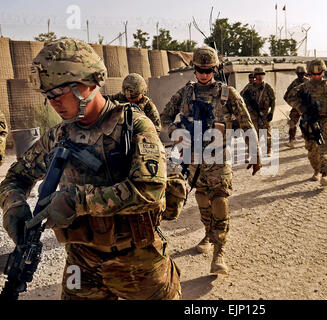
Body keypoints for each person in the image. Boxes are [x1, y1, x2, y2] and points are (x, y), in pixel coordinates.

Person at [0, 38, 181, 300]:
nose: (54, 104)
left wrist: (77, 202)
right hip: (81, 262)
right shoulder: (58, 136)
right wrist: (13, 205)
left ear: (89, 83)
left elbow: (149, 190)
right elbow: (15, 177)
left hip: (137, 261)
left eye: (59, 93)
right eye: (48, 97)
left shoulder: (132, 126)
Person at [161, 45, 262, 275]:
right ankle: (208, 233)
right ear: (194, 69)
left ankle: (220, 251)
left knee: (220, 199)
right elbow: (164, 117)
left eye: (208, 70)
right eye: (200, 70)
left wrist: (255, 153)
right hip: (192, 157)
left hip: (218, 155)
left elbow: (247, 124)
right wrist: (175, 130)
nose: (204, 74)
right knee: (202, 197)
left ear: (215, 69)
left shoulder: (228, 94)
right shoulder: (185, 93)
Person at [286, 59, 327, 187]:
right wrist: (300, 107)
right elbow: (288, 96)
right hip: (310, 121)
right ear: (310, 74)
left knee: (324, 148)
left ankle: (326, 174)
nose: (317, 77)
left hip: (325, 120)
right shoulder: (304, 86)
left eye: (319, 74)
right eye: (314, 74)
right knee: (312, 150)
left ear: (323, 72)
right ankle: (316, 170)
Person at [241, 67, 276, 156]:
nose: (260, 77)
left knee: (267, 132)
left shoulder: (267, 87)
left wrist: (271, 112)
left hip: (264, 114)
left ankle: (269, 149)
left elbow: (273, 100)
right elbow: (240, 97)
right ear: (255, 76)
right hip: (253, 114)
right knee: (253, 133)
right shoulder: (249, 87)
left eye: (262, 74)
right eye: (258, 75)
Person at [283, 65, 309, 148]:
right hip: (297, 107)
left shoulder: (309, 82)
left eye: (302, 73)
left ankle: (307, 141)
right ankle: (291, 141)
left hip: (306, 107)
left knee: (306, 124)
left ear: (305, 73)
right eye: (299, 74)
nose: (300, 75)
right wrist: (293, 104)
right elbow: (286, 96)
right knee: (292, 123)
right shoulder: (294, 83)